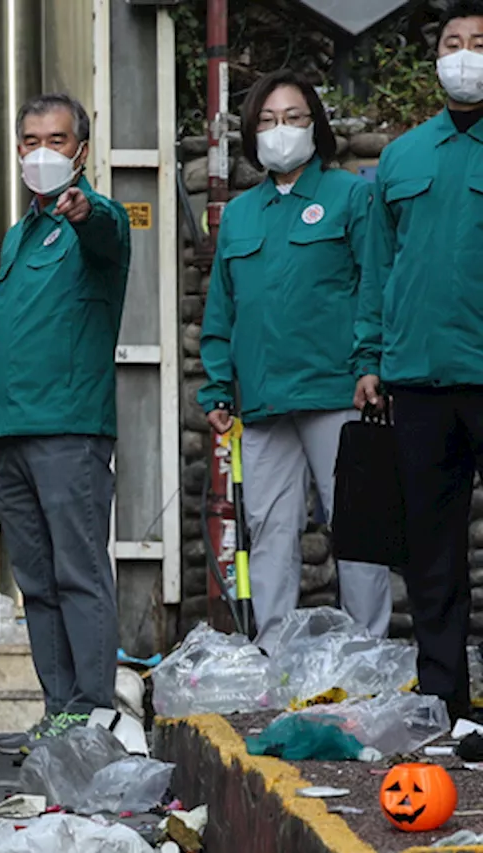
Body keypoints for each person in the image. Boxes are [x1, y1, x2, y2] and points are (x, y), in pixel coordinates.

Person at [198, 70, 391, 650]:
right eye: (267, 121)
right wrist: (216, 389)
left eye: (294, 119)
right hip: (261, 399)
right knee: (270, 530)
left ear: (316, 126)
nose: (280, 131)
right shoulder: (240, 215)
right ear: (252, 134)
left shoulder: (351, 195)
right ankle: (273, 657)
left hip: (338, 390)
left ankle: (368, 654)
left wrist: (370, 362)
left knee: (357, 527)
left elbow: (374, 284)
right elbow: (221, 310)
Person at [0, 93, 131, 754]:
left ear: (82, 151)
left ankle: (94, 712)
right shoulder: (16, 235)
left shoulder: (97, 219)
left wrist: (85, 208)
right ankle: (60, 710)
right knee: (35, 583)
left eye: (57, 140)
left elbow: (102, 228)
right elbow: (4, 334)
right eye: (30, 140)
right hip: (12, 432)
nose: (41, 152)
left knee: (79, 573)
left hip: (70, 429)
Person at [353, 0, 483, 723]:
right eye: (453, 43)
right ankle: (443, 697)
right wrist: (368, 355)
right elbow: (378, 269)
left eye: (478, 42)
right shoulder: (402, 156)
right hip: (418, 377)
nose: (464, 54)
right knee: (431, 550)